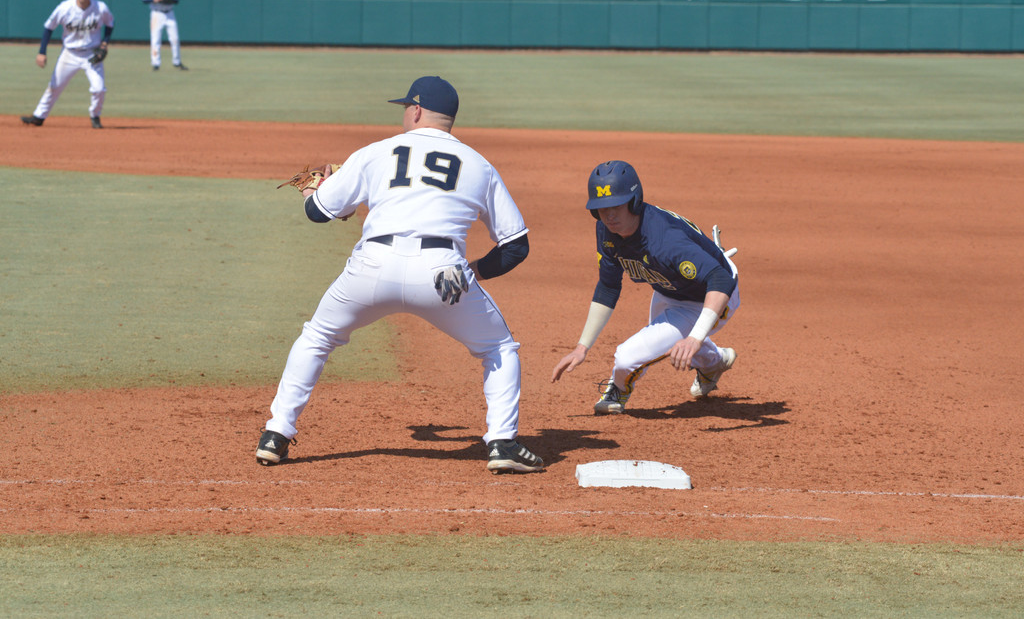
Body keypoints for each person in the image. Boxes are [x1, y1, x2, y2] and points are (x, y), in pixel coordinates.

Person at [256, 76, 544, 474]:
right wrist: (469, 273)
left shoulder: (377, 152)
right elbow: (516, 246)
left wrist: (313, 191)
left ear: (416, 110)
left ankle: (276, 434)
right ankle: (501, 443)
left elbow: (319, 212)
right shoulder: (479, 164)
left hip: (372, 266)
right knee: (499, 348)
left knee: (318, 337)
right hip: (442, 273)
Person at [551, 160, 740, 414]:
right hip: (668, 288)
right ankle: (714, 363)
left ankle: (618, 388)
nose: (609, 216)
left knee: (627, 358)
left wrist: (695, 337)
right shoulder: (607, 231)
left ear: (634, 201)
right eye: (601, 208)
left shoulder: (665, 240)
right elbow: (608, 287)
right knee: (673, 340)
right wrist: (581, 347)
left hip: (710, 294)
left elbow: (720, 280)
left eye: (616, 206)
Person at [21, 0, 114, 129]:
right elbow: (48, 27)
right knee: (55, 86)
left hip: (91, 54)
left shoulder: (100, 8)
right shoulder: (65, 8)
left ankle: (95, 116)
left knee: (99, 89)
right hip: (70, 54)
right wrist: (42, 52)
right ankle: (39, 116)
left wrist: (105, 43)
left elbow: (110, 23)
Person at [141, 0, 187, 71]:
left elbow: (176, 0)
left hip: (169, 13)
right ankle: (156, 63)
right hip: (157, 14)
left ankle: (177, 62)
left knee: (175, 39)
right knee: (155, 39)